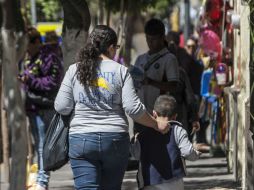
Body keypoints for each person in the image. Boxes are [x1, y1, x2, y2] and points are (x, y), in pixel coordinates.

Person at [54, 25, 169, 190]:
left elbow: (61, 106)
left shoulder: (74, 70)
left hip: (81, 139)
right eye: (115, 47)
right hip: (114, 140)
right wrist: (156, 124)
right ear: (110, 47)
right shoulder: (121, 70)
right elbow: (133, 109)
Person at [19, 27, 64, 190]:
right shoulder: (28, 58)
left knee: (43, 146)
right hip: (32, 108)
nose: (25, 49)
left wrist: (29, 80)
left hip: (45, 107)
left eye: (27, 44)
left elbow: (53, 82)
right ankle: (39, 179)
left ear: (36, 42)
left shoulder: (49, 57)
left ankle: (42, 181)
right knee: (39, 145)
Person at [137, 95, 201, 190]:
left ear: (154, 114)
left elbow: (135, 154)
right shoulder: (178, 130)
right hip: (174, 183)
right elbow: (188, 152)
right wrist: (197, 153)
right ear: (175, 116)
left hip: (150, 182)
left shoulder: (143, 133)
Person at [132, 18, 179, 134]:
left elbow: (174, 86)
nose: (150, 42)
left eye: (154, 39)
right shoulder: (140, 59)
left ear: (163, 37)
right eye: (148, 39)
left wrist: (151, 82)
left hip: (159, 118)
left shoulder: (169, 59)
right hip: (140, 116)